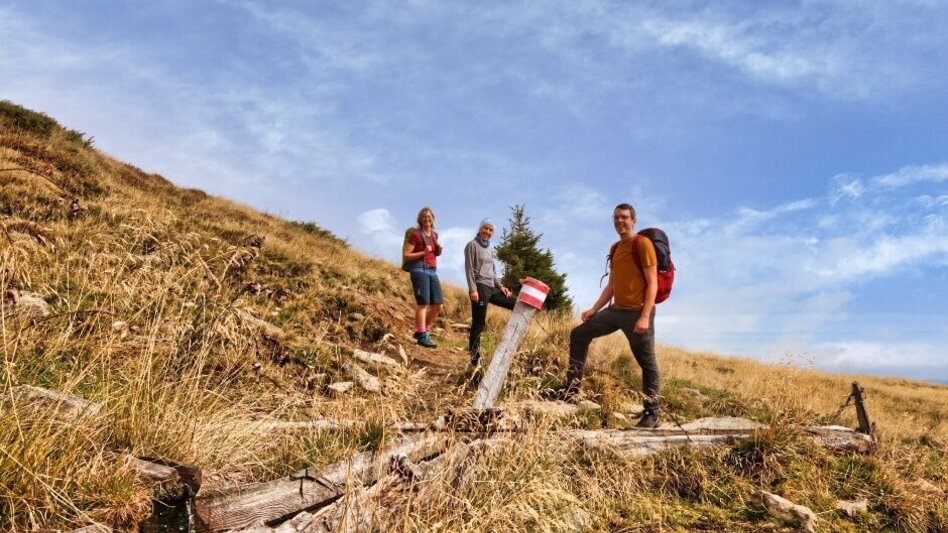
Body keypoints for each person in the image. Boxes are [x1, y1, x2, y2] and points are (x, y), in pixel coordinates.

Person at [562, 203, 661, 428]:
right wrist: (594, 309)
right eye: (616, 217)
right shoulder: (615, 248)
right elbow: (612, 285)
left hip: (638, 312)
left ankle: (652, 413)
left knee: (647, 363)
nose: (619, 221)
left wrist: (645, 316)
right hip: (616, 311)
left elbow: (653, 283)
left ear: (633, 220)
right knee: (579, 334)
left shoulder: (642, 244)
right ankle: (571, 390)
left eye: (624, 217)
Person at [463, 218, 516, 367]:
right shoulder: (472, 245)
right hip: (480, 287)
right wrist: (472, 289)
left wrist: (501, 286)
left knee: (516, 303)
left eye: (491, 230)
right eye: (485, 228)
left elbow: (493, 272)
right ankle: (475, 360)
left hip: (492, 287)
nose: (487, 231)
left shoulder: (491, 249)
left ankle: (509, 342)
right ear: (480, 229)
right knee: (478, 324)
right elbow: (469, 268)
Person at [403, 207, 443, 348]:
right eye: (424, 217)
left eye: (429, 216)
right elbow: (406, 255)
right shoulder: (415, 235)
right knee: (423, 303)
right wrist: (423, 252)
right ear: (420, 219)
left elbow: (433, 253)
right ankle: (422, 333)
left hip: (432, 270)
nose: (427, 219)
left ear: (433, 219)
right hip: (419, 269)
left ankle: (423, 330)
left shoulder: (435, 235)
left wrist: (439, 251)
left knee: (438, 305)